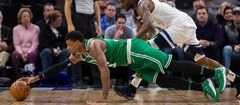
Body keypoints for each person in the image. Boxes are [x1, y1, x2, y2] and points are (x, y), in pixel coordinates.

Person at [21, 30, 226, 103]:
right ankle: (204, 86)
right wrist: (35, 80)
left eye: (68, 44)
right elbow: (59, 67)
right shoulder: (80, 55)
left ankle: (213, 72)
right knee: (163, 80)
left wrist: (103, 98)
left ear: (76, 42)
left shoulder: (93, 46)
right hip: (132, 60)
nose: (67, 49)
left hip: (135, 50)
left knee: (171, 64)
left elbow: (104, 70)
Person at [115, 0, 240, 100]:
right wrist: (140, 42)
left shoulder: (143, 4)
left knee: (145, 51)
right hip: (182, 26)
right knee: (202, 59)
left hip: (180, 25)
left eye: (122, 0)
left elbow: (147, 25)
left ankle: (132, 88)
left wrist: (133, 41)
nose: (121, 4)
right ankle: (237, 80)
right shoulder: (138, 11)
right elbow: (149, 29)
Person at [64, 0, 101, 88]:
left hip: (90, 19)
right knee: (77, 49)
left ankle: (96, 80)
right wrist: (69, 23)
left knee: (93, 48)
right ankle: (77, 80)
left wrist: (99, 25)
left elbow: (96, 6)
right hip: (77, 18)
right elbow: (67, 5)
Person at [11, 7, 40, 79]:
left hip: (32, 50)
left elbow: (35, 43)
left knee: (32, 54)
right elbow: (16, 44)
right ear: (20, 18)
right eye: (24, 16)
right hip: (20, 50)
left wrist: (27, 54)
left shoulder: (36, 28)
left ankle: (31, 76)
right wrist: (21, 54)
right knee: (14, 54)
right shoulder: (16, 29)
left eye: (27, 16)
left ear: (30, 17)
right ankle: (17, 77)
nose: (26, 18)